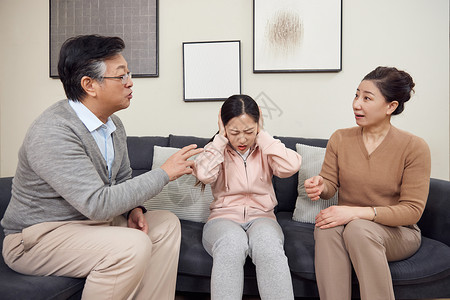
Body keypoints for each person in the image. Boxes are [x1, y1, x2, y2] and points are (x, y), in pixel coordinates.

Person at [1, 35, 202, 300]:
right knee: (132, 245)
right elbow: (97, 204)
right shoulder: (53, 131)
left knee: (164, 224)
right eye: (121, 76)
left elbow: (122, 180)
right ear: (89, 85)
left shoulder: (114, 125)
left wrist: (135, 209)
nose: (130, 82)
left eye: (128, 73)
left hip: (91, 225)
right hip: (37, 238)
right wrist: (164, 173)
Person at [304, 66, 431, 300]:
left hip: (397, 232)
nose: (356, 104)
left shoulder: (414, 147)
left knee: (358, 229)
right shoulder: (340, 138)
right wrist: (321, 186)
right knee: (325, 226)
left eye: (367, 98)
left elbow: (412, 211)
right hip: (350, 225)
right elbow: (331, 183)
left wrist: (355, 214)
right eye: (356, 95)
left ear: (390, 107)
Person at [193, 94, 302, 300]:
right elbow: (204, 175)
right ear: (224, 128)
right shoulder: (216, 149)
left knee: (267, 243)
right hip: (222, 220)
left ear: (258, 126)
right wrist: (220, 140)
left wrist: (262, 136)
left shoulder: (265, 148)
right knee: (232, 242)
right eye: (234, 132)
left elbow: (291, 166)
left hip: (262, 218)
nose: (242, 139)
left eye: (249, 132)